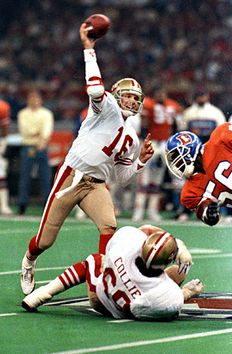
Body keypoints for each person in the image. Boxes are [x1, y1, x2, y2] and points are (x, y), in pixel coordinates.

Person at [20, 23, 154, 295]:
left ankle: (102, 280)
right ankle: (29, 260)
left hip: (96, 185)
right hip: (72, 176)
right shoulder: (104, 108)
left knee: (109, 226)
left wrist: (140, 162)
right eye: (126, 96)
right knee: (46, 240)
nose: (130, 101)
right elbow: (94, 89)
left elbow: (120, 178)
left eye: (134, 98)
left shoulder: (133, 137)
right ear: (116, 95)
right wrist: (89, 49)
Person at [22, 224, 203, 320]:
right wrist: (185, 293)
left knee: (94, 261)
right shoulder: (166, 294)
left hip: (106, 292)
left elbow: (146, 229)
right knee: (180, 273)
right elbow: (140, 313)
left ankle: (43, 293)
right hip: (116, 305)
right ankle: (43, 293)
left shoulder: (127, 243)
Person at [165, 122, 232, 226]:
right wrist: (209, 213)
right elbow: (209, 218)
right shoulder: (189, 193)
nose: (177, 164)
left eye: (177, 157)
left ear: (190, 150)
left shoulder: (220, 137)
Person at [132, 87, 182, 222]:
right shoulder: (148, 104)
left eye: (163, 93)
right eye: (159, 93)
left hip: (164, 143)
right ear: (154, 94)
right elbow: (143, 125)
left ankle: (152, 210)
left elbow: (177, 126)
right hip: (151, 142)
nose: (161, 95)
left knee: (157, 180)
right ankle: (139, 209)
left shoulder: (173, 105)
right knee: (144, 179)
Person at [17, 89, 54, 215]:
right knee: (25, 177)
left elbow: (47, 130)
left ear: (40, 100)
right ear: (28, 100)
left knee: (45, 177)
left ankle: (47, 205)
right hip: (28, 146)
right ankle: (22, 204)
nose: (34, 101)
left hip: (42, 146)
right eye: (31, 98)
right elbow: (26, 130)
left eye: (36, 98)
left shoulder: (46, 113)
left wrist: (42, 139)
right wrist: (37, 132)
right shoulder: (23, 113)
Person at [0, 99, 13, 215]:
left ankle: (4, 205)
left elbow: (5, 129)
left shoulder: (2, 107)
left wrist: (3, 142)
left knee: (1, 175)